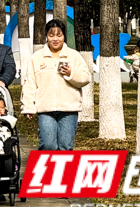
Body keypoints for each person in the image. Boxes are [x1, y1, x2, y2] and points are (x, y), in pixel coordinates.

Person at [22, 17, 91, 150]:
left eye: (59, 35)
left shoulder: (73, 55)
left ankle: (63, 171)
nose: (55, 39)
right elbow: (30, 83)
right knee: (48, 145)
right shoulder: (37, 57)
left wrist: (71, 73)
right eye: (51, 35)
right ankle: (47, 170)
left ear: (64, 36)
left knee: (66, 146)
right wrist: (28, 106)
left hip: (69, 109)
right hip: (45, 109)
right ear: (46, 36)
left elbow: (86, 78)